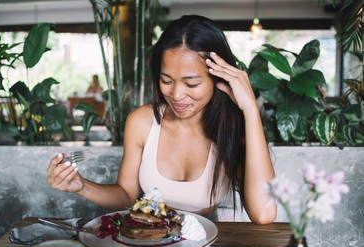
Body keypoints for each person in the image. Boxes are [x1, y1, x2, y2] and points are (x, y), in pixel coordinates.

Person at [47, 15, 276, 224]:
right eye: (166, 80)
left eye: (191, 84)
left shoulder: (234, 128)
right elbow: (127, 196)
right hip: (149, 243)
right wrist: (81, 186)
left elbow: (264, 214)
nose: (176, 95)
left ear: (219, 78)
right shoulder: (142, 122)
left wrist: (250, 111)